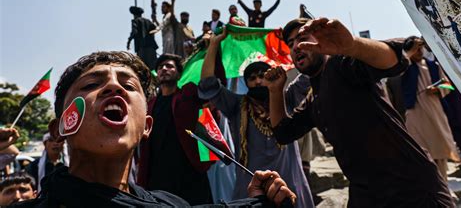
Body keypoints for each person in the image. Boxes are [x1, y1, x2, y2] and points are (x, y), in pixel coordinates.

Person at [14, 51, 296, 207]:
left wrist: (260, 204)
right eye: (91, 85)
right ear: (61, 126)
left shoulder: (173, 205)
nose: (113, 87)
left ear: (147, 126)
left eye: (129, 86)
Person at [265, 18, 454, 207]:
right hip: (367, 194)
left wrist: (352, 46)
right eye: (291, 44)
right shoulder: (314, 98)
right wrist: (275, 91)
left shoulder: (341, 65)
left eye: (302, 38)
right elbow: (284, 132)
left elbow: (394, 59)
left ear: (320, 41)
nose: (296, 46)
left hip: (412, 188)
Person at [198, 30, 314, 208]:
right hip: (251, 188)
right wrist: (214, 45)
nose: (258, 81)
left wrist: (306, 41)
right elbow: (208, 85)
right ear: (247, 83)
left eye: (263, 76)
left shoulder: (287, 98)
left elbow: (309, 74)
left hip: (290, 183)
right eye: (252, 78)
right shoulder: (236, 105)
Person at [136, 52, 226, 205]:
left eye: (169, 66)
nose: (164, 69)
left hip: (189, 174)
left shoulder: (188, 94)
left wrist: (213, 48)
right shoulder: (149, 105)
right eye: (160, 67)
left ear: (178, 74)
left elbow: (213, 85)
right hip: (157, 178)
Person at [401, 36, 461, 181]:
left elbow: (448, 85)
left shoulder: (433, 65)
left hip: (435, 111)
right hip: (416, 112)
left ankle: (443, 185)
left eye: (420, 48)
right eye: (415, 49)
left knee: (439, 148)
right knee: (420, 150)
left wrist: (436, 89)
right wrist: (408, 52)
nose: (419, 51)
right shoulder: (405, 67)